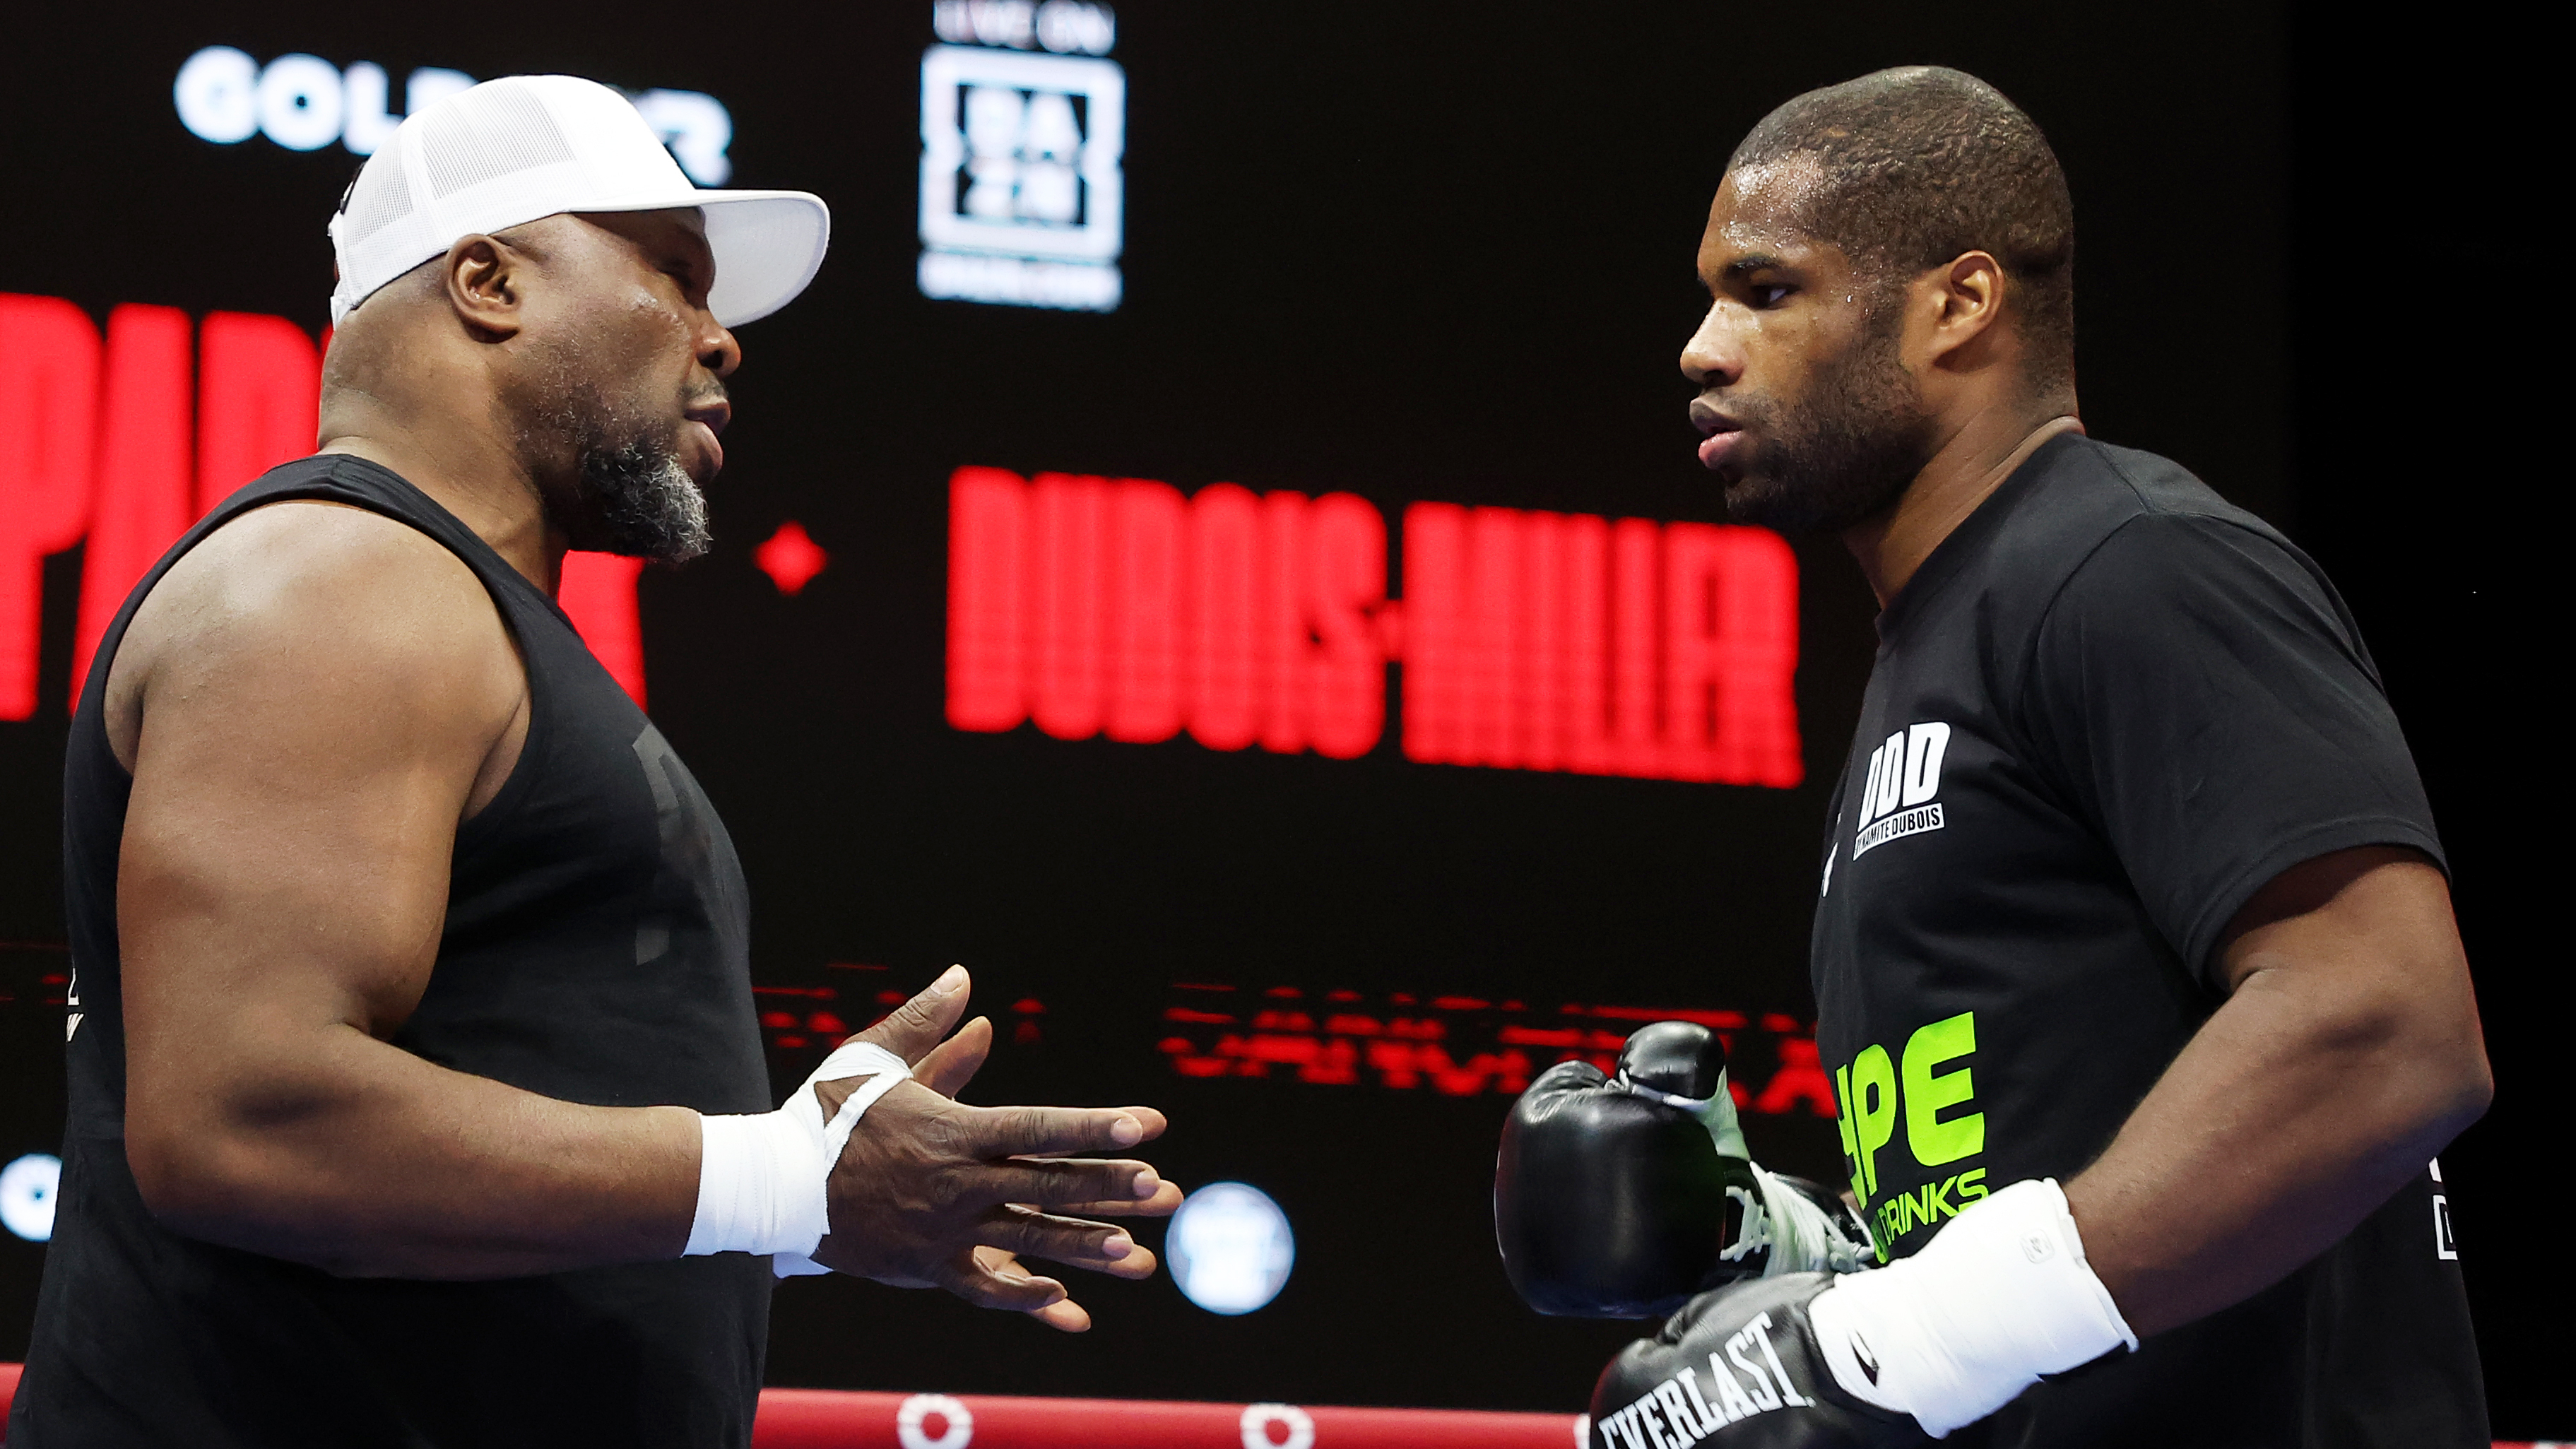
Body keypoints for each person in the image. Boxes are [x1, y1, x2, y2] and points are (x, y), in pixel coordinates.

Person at [7, 75, 1179, 1449]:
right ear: (488, 282)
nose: (719, 338)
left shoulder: (450, 617)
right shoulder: (337, 583)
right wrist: (776, 1182)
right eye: (671, 277)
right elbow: (246, 1125)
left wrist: (798, 1194)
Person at [1552, 66, 2488, 1447]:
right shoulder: (1940, 650)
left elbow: (2384, 1030)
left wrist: (1894, 1341)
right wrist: (1784, 1254)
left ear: (1958, 304)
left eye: (1763, 291)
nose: (1699, 347)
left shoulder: (2131, 566)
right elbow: (2020, 1185)